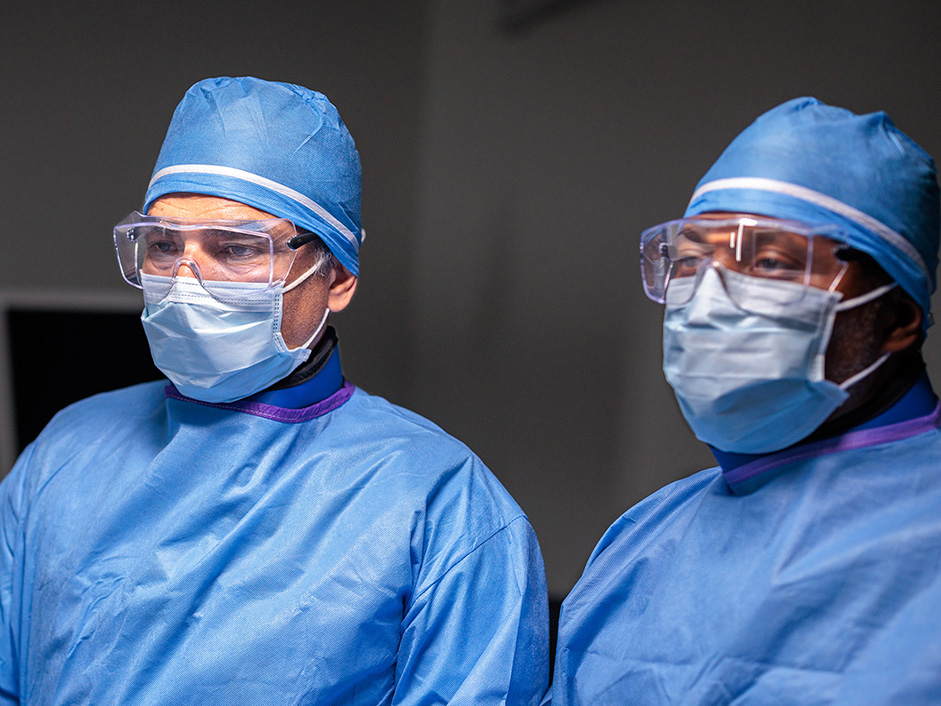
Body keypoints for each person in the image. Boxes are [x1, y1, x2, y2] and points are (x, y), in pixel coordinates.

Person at [0, 76, 548, 705]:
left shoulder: (440, 505)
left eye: (236, 249)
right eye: (163, 246)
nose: (185, 282)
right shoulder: (65, 453)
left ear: (336, 277)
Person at [545, 97, 941, 704]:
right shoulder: (643, 541)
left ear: (897, 318)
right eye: (690, 261)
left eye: (771, 262)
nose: (709, 299)